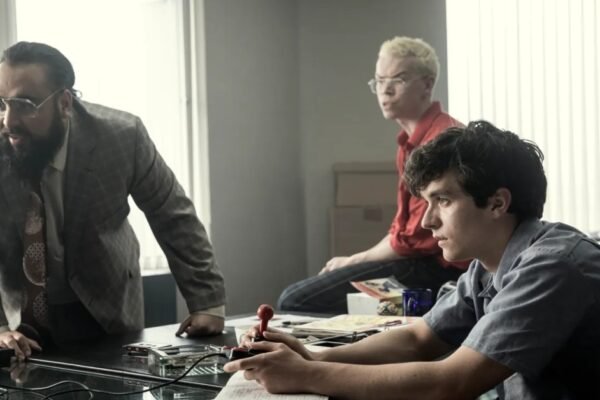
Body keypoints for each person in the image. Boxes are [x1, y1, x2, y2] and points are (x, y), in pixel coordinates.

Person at [226, 121, 600, 399]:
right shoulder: (487, 267)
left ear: (497, 203)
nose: (426, 221)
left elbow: (452, 382)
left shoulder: (553, 266)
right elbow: (419, 338)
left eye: (444, 201)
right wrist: (311, 357)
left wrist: (305, 375)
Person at [0, 42, 226, 360]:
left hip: (107, 307)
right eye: (2, 103)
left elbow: (171, 214)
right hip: (20, 322)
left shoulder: (121, 136)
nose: (9, 121)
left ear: (64, 103)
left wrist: (207, 303)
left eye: (25, 104)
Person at [278, 36, 467, 314]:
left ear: (427, 85)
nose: (385, 90)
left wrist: (355, 260)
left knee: (295, 300)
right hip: (419, 259)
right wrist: (357, 259)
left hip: (442, 267)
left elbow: (416, 237)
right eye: (379, 81)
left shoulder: (443, 139)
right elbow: (401, 228)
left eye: (399, 79)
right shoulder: (407, 143)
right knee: (307, 295)